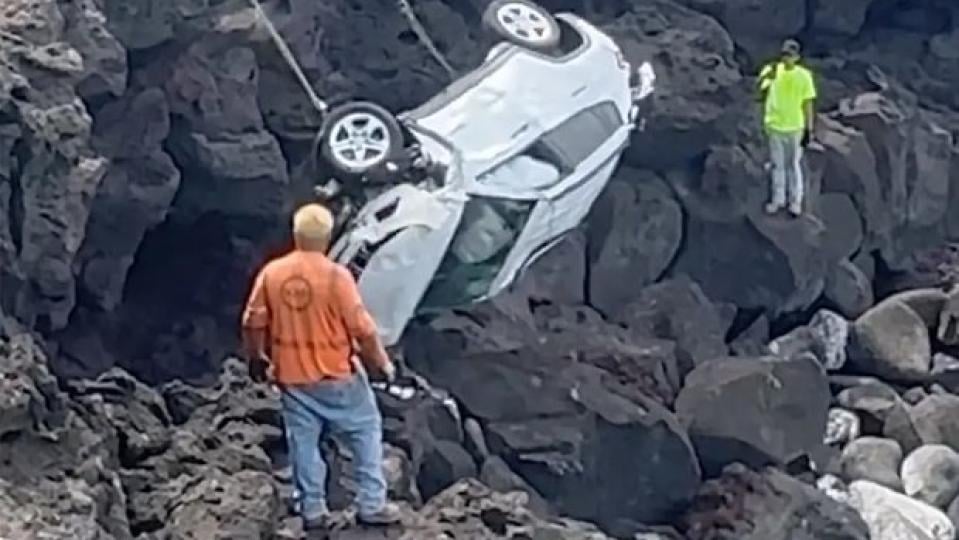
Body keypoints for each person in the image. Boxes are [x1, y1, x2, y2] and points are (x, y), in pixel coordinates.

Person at [240, 203, 401, 529]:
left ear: (296, 235)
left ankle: (312, 510)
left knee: (303, 442)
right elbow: (363, 329)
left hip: (293, 378)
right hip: (337, 376)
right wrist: (381, 364)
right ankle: (371, 504)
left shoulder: (273, 273)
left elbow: (252, 321)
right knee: (365, 431)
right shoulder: (335, 276)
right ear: (326, 238)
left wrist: (256, 358)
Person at [758, 38, 817, 217]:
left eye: (790, 55)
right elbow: (758, 91)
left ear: (797, 57)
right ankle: (778, 200)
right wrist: (766, 79)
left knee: (793, 165)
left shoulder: (804, 76)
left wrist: (809, 129)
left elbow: (808, 104)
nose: (786, 58)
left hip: (795, 127)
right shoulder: (772, 71)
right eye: (784, 54)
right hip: (775, 126)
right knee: (778, 165)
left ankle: (795, 202)